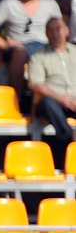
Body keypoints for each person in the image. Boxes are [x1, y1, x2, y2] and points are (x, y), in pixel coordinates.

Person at [30, 17, 76, 146]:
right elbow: (36, 84)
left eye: (58, 29)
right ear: (46, 34)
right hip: (53, 100)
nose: (55, 33)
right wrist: (61, 98)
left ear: (66, 31)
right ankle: (68, 138)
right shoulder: (38, 56)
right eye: (50, 30)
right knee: (47, 102)